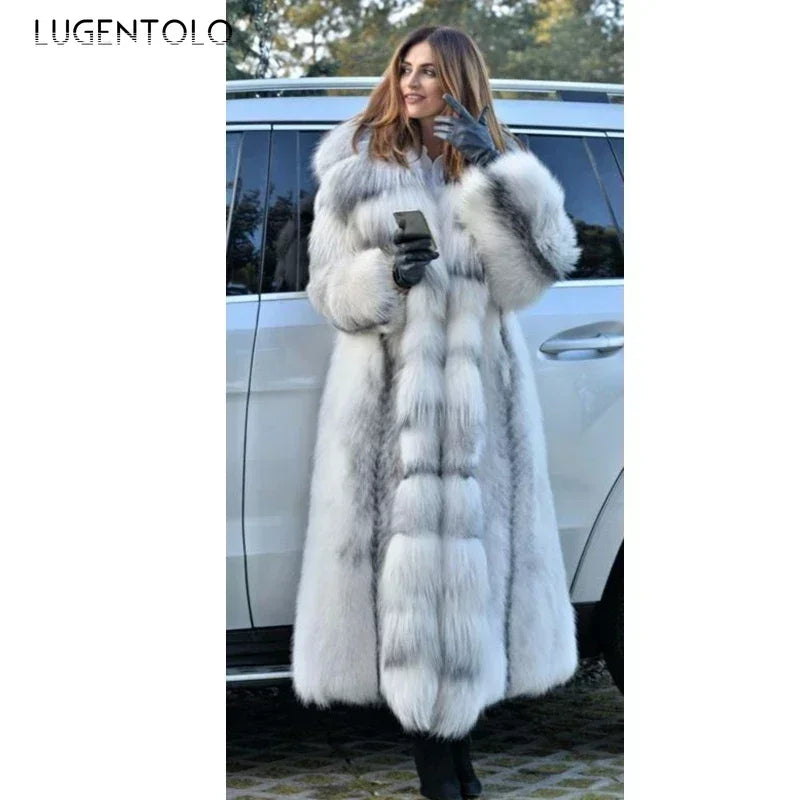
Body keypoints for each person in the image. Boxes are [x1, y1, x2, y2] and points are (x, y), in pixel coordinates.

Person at [291, 25, 581, 800]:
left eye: (429, 72)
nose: (413, 83)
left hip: (482, 415)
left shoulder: (494, 166)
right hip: (390, 414)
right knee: (408, 591)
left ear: (459, 82)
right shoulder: (354, 174)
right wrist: (386, 275)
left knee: (470, 591)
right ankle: (439, 773)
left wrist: (496, 172)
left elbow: (540, 270)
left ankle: (458, 768)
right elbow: (327, 291)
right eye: (406, 69)